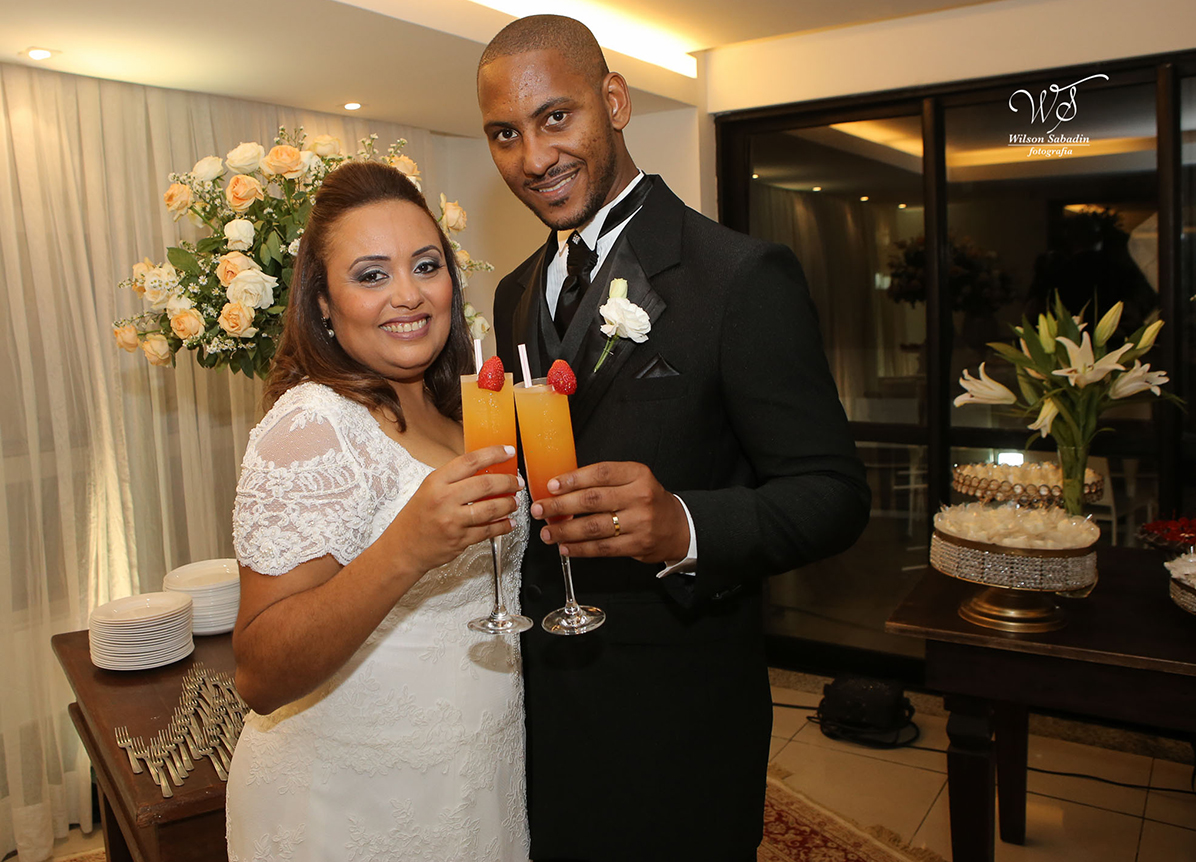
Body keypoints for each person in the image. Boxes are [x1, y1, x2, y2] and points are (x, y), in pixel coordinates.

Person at [477, 15, 871, 861]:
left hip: (677, 711)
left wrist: (684, 526)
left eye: (556, 118)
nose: (533, 158)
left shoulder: (738, 276)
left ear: (613, 102)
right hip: (539, 700)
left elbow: (833, 495)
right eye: (504, 134)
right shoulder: (516, 293)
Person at [225, 160, 529, 860]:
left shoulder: (466, 409)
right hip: (353, 801)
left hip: (476, 776)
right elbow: (260, 674)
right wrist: (406, 548)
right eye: (371, 275)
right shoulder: (311, 425)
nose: (408, 295)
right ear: (323, 304)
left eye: (426, 265)